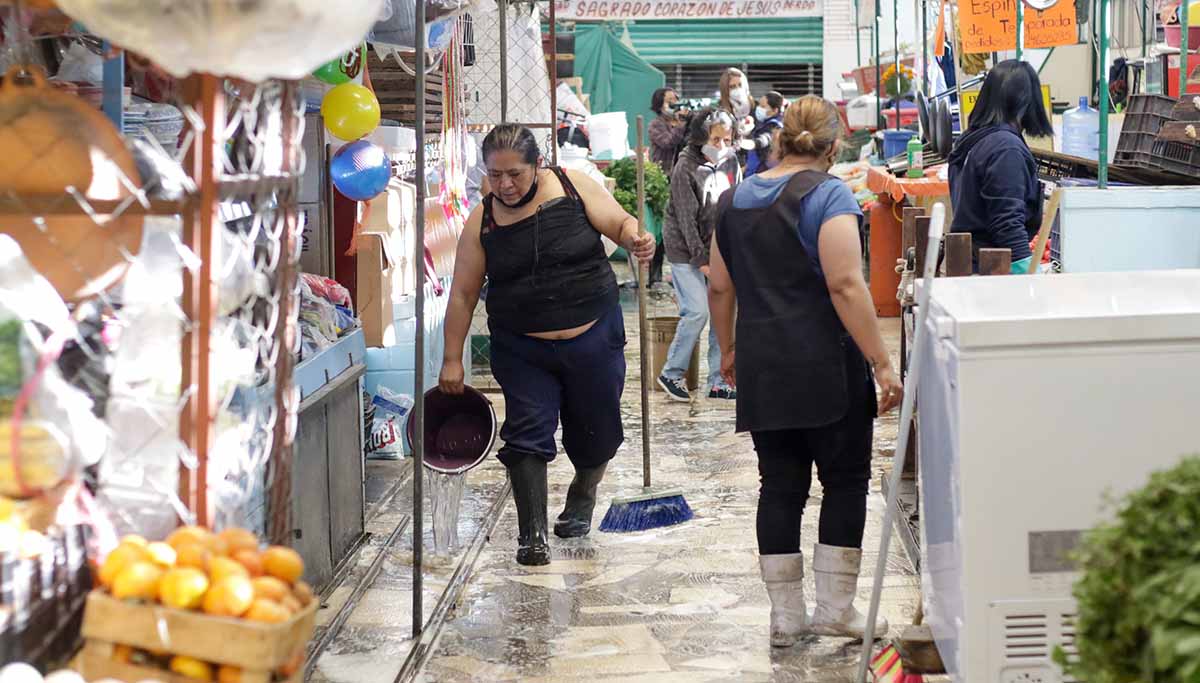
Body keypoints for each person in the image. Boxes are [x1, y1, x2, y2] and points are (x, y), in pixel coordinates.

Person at [707, 95, 903, 646]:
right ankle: (836, 610)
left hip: (763, 365)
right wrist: (882, 362)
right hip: (825, 365)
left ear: (779, 139)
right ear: (834, 146)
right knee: (843, 482)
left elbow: (719, 286)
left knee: (780, 486)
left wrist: (727, 350)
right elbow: (845, 284)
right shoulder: (830, 194)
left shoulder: (735, 198)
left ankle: (785, 619)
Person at [440, 124, 655, 566]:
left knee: (598, 433)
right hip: (523, 348)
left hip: (594, 336)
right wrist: (451, 359)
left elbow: (619, 222)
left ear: (537, 165)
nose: (504, 185)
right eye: (495, 175)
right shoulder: (483, 220)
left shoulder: (574, 187)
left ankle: (583, 492)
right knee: (526, 433)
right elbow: (462, 294)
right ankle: (531, 535)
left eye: (514, 174)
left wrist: (635, 237)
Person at [658, 109, 740, 402]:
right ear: (701, 138)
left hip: (720, 248)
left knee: (724, 312)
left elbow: (735, 202)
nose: (720, 145)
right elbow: (685, 220)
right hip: (685, 250)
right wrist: (702, 261)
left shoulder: (731, 161)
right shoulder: (684, 168)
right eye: (715, 139)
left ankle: (719, 380)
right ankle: (671, 372)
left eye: (726, 139)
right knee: (697, 311)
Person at [947, 60, 1053, 274]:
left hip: (972, 266)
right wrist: (1031, 276)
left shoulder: (973, 140)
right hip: (993, 273)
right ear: (1025, 102)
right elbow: (1007, 224)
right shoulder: (1006, 149)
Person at [744, 91, 786, 178]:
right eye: (759, 105)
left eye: (763, 106)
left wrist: (753, 143)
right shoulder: (764, 124)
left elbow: (765, 138)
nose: (759, 109)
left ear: (775, 110)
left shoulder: (774, 126)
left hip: (761, 174)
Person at [718, 67, 755, 159]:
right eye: (732, 87)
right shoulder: (720, 111)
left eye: (740, 85)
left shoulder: (754, 107)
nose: (738, 89)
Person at [648, 87, 687, 174]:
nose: (674, 103)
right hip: (664, 173)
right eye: (670, 101)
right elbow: (668, 142)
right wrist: (680, 125)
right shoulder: (656, 124)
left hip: (682, 172)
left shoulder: (684, 122)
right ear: (659, 105)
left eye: (676, 99)